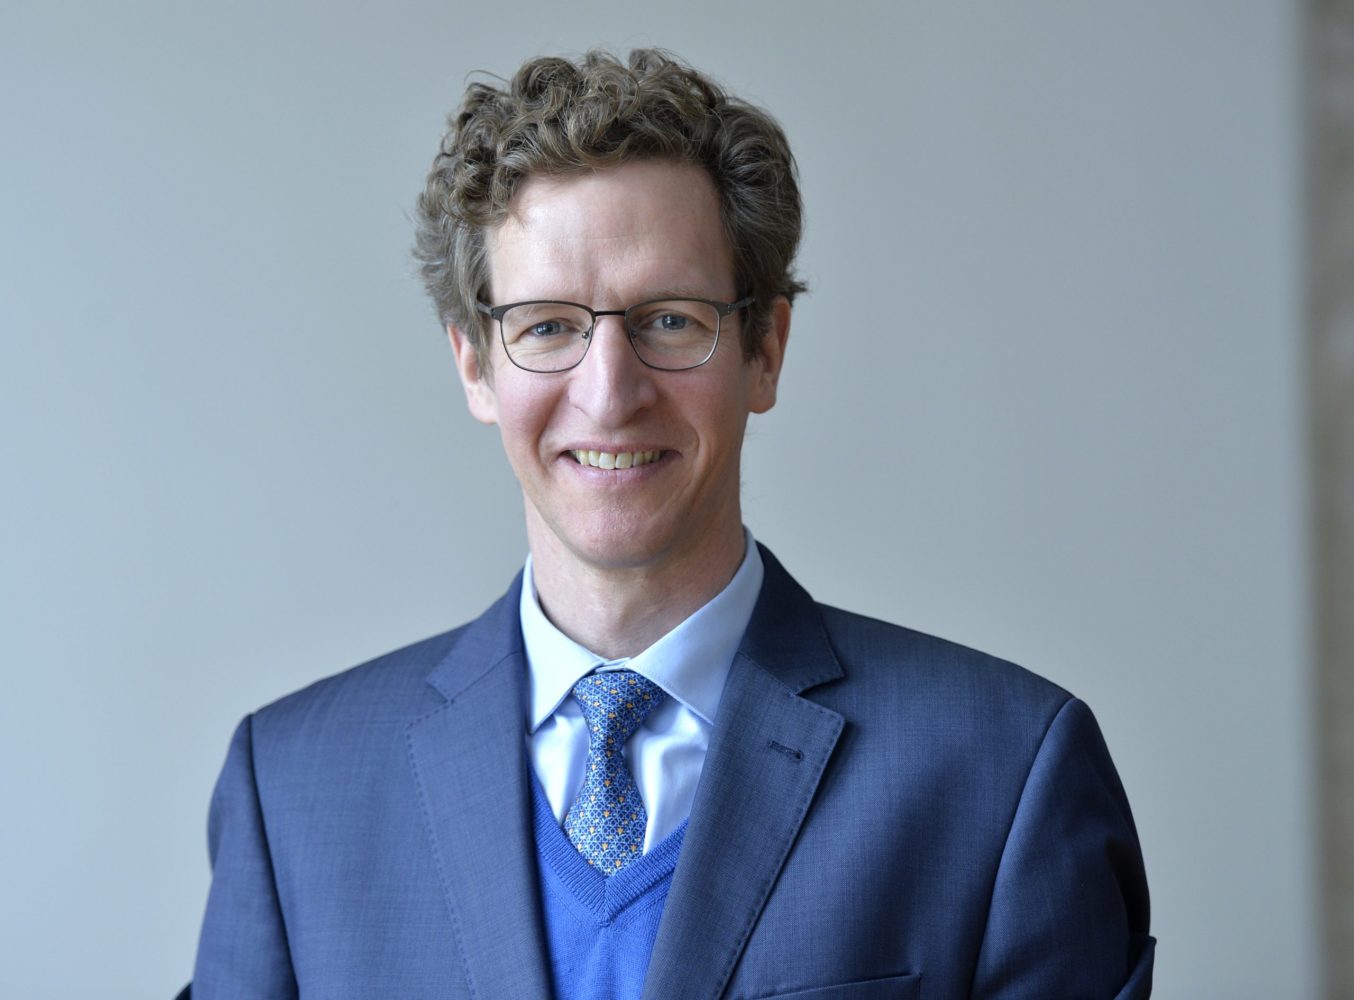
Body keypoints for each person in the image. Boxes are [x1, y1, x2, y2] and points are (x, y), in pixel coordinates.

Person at [191, 48, 1154, 1000]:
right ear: (475, 365)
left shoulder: (1002, 772)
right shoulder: (292, 790)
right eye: (547, 326)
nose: (610, 394)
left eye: (670, 320)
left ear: (764, 350)